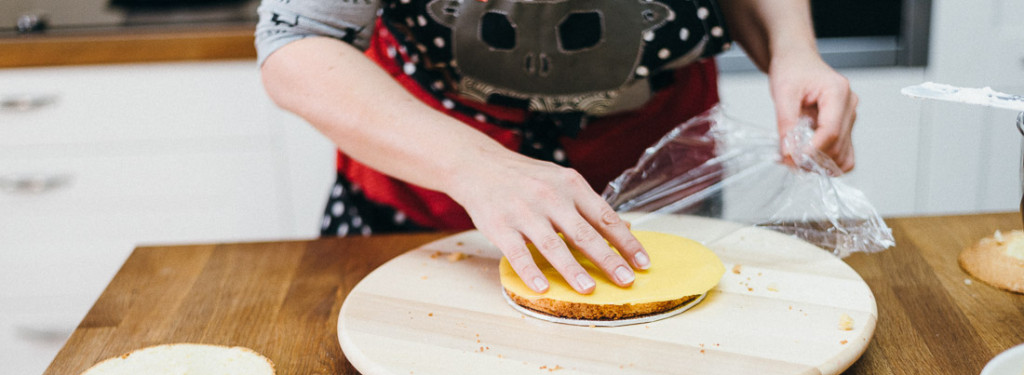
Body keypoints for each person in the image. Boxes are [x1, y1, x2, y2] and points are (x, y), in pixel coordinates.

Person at [255, 0, 857, 296]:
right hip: (423, 200)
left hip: (663, 185)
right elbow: (299, 41)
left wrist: (792, 47)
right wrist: (474, 165)